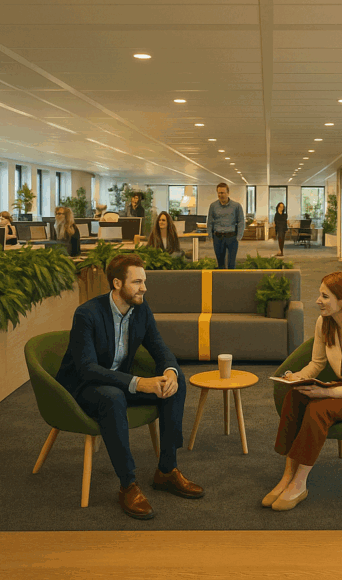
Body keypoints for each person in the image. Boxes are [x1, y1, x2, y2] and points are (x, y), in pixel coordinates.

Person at [54, 255, 203, 520]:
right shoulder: (87, 314)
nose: (144, 287)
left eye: (144, 281)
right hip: (82, 388)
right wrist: (138, 383)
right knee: (112, 398)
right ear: (117, 283)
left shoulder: (141, 310)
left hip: (118, 382)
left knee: (174, 384)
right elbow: (87, 369)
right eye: (137, 282)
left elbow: (159, 348)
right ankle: (128, 484)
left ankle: (167, 471)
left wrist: (169, 372)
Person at [265, 271, 342, 512]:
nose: (317, 301)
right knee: (296, 395)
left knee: (318, 408)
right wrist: (296, 377)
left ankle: (299, 483)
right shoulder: (324, 322)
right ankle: (287, 475)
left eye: (325, 296)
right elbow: (317, 364)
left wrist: (326, 393)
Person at [206, 182, 245, 269]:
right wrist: (210, 235)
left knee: (231, 263)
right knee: (220, 263)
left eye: (223, 193)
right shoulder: (213, 206)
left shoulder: (236, 206)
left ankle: (231, 281)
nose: (221, 195)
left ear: (228, 193)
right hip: (218, 237)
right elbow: (209, 222)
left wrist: (239, 236)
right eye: (219, 193)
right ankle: (221, 281)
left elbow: (241, 221)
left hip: (231, 237)